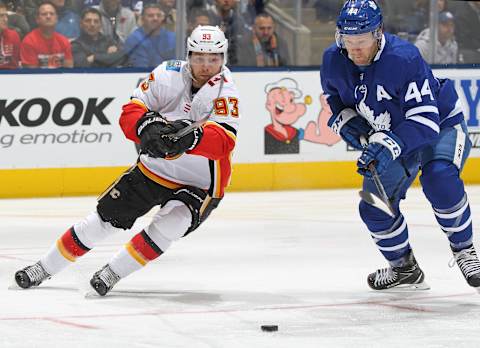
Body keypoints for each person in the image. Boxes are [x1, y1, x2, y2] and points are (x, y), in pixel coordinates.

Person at [15, 25, 240, 297]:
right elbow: (130, 111)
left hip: (201, 182)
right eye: (199, 58)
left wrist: (188, 139)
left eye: (213, 59)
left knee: (171, 225)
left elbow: (224, 141)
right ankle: (43, 267)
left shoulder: (225, 92)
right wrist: (146, 126)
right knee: (101, 221)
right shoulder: (166, 74)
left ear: (223, 58)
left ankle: (113, 272)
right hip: (155, 168)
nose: (206, 66)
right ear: (188, 55)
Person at [321, 0, 480, 291]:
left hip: (439, 126)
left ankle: (464, 250)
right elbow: (336, 99)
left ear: (378, 33)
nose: (354, 49)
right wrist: (348, 121)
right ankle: (404, 268)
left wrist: (388, 144)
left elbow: (425, 121)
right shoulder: (333, 60)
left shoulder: (404, 58)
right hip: (390, 136)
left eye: (362, 40)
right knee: (373, 207)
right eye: (348, 40)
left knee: (439, 177)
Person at [20, 1, 73, 68]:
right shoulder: (29, 41)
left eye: (51, 14)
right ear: (37, 19)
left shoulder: (64, 41)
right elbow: (31, 74)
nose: (48, 16)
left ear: (56, 18)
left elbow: (69, 70)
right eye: (44, 14)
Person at [123, 3, 175, 68]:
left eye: (158, 15)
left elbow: (177, 65)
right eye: (150, 16)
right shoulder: (134, 40)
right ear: (142, 20)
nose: (155, 18)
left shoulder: (173, 38)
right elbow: (140, 69)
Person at [0, 0, 21, 69]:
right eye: (1, 16)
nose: (6, 19)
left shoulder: (13, 35)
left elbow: (14, 66)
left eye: (6, 15)